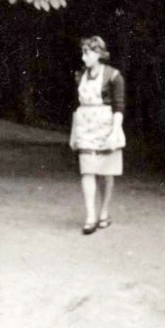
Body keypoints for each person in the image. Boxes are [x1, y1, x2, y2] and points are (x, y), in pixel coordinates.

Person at [69, 36, 126, 235]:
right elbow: (77, 106)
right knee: (87, 170)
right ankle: (90, 216)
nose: (84, 57)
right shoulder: (80, 76)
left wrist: (114, 131)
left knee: (106, 171)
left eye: (87, 53)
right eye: (83, 53)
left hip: (105, 126)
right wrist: (73, 133)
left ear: (98, 54)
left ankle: (104, 212)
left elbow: (119, 107)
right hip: (85, 127)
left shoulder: (113, 76)